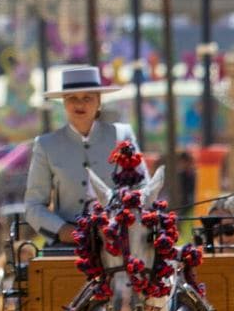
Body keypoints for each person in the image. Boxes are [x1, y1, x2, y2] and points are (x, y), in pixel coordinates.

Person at [24, 65, 145, 248]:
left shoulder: (122, 136)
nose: (80, 104)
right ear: (64, 103)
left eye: (87, 98)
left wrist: (124, 221)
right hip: (69, 245)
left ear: (99, 102)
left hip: (120, 241)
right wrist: (63, 230)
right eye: (72, 98)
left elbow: (144, 187)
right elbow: (33, 206)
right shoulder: (46, 145)